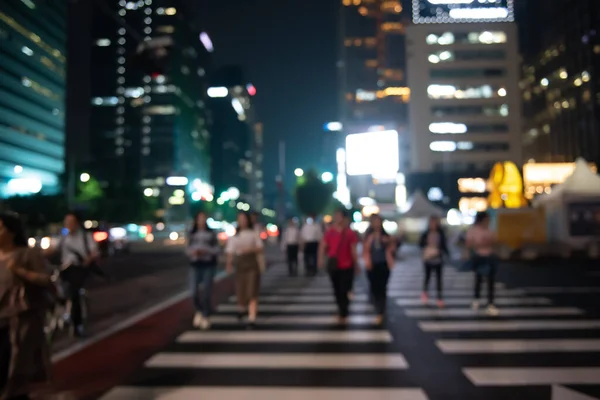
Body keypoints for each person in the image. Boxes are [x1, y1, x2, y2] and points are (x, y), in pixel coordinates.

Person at [0, 212, 53, 399]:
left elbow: (46, 280)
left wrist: (20, 271)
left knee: (15, 369)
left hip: (20, 319)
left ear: (11, 232)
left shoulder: (27, 254)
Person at [47, 212, 100, 337]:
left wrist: (88, 260)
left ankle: (77, 324)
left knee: (74, 293)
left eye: (71, 222)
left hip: (79, 268)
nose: (68, 224)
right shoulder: (63, 238)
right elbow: (53, 250)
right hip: (65, 268)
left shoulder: (85, 237)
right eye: (66, 222)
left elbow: (94, 252)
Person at [318, 209, 359, 325]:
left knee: (344, 289)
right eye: (336, 216)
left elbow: (353, 250)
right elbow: (323, 246)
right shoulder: (330, 232)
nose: (337, 218)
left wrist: (356, 265)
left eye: (339, 216)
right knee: (336, 289)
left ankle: (343, 311)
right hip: (334, 265)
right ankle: (342, 310)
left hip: (347, 265)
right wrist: (320, 260)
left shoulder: (350, 233)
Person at [226, 212, 263, 329]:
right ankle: (241, 309)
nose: (242, 221)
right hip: (240, 265)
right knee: (241, 290)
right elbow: (230, 251)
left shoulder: (254, 233)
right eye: (240, 219)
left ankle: (252, 318)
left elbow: (260, 247)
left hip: (252, 264)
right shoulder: (235, 235)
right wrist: (229, 264)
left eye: (244, 219)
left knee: (252, 290)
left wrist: (250, 249)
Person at [187, 211, 220, 330]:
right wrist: (193, 252)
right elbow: (187, 248)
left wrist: (206, 251)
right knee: (194, 292)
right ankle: (199, 310)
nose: (201, 220)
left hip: (208, 265)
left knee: (206, 291)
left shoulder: (211, 233)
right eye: (199, 218)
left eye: (203, 218)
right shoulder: (192, 233)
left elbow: (217, 249)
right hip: (195, 264)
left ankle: (206, 314)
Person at [362, 214, 395, 324]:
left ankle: (381, 309)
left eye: (378, 221)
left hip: (384, 264)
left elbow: (393, 248)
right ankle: (377, 305)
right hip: (372, 264)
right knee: (374, 287)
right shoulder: (368, 236)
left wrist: (389, 242)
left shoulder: (385, 235)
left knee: (382, 287)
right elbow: (365, 250)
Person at [466, 211, 499, 316]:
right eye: (486, 219)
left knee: (491, 281)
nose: (488, 221)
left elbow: (495, 242)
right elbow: (469, 244)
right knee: (478, 279)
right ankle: (476, 299)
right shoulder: (474, 230)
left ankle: (490, 303)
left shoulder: (490, 231)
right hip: (478, 257)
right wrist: (479, 245)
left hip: (489, 256)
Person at [419, 215, 449, 308]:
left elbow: (444, 245)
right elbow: (420, 244)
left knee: (439, 279)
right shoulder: (426, 233)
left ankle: (439, 298)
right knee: (427, 277)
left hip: (438, 259)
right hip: (428, 259)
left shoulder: (440, 234)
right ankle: (425, 294)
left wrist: (445, 253)